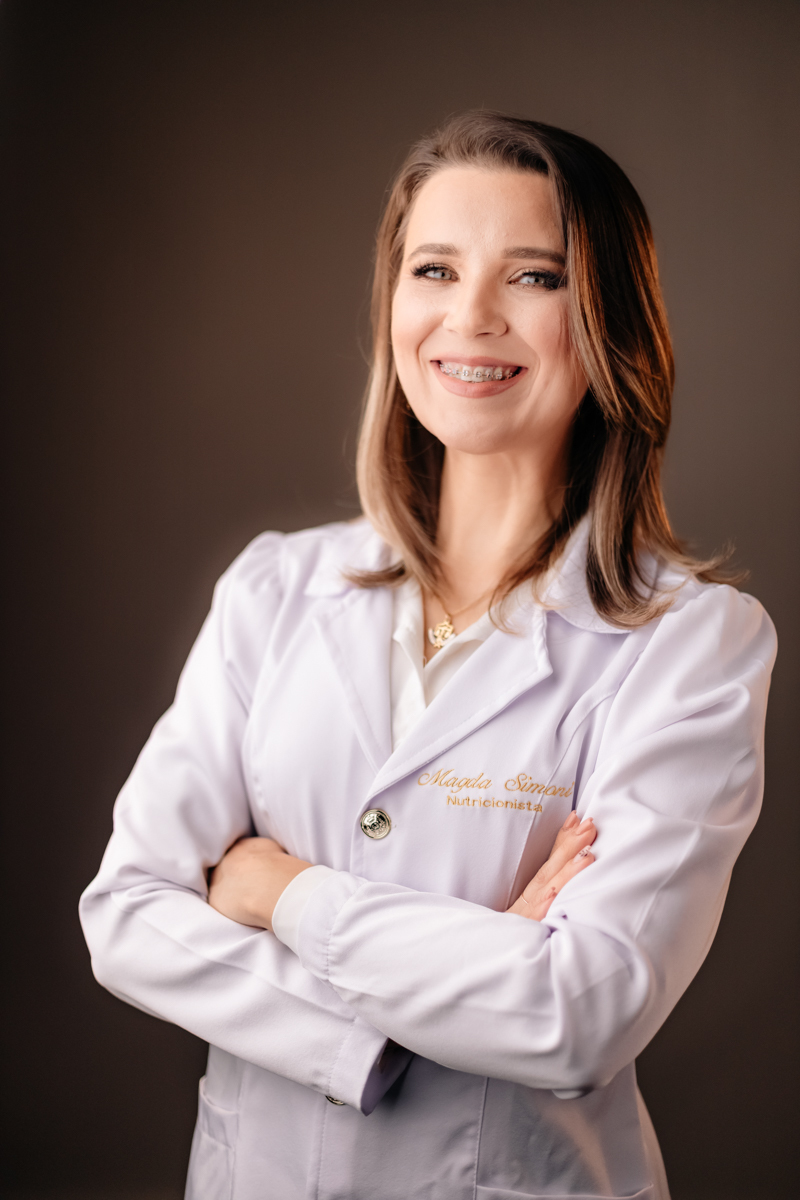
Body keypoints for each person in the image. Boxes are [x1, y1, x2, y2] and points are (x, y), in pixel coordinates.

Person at [79, 111, 776, 1200]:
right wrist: (435, 994)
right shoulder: (274, 588)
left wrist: (283, 892)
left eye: (534, 276)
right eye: (435, 269)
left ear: (610, 323)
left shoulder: (689, 644)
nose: (470, 316)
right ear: (392, 301)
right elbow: (127, 914)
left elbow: (577, 1013)